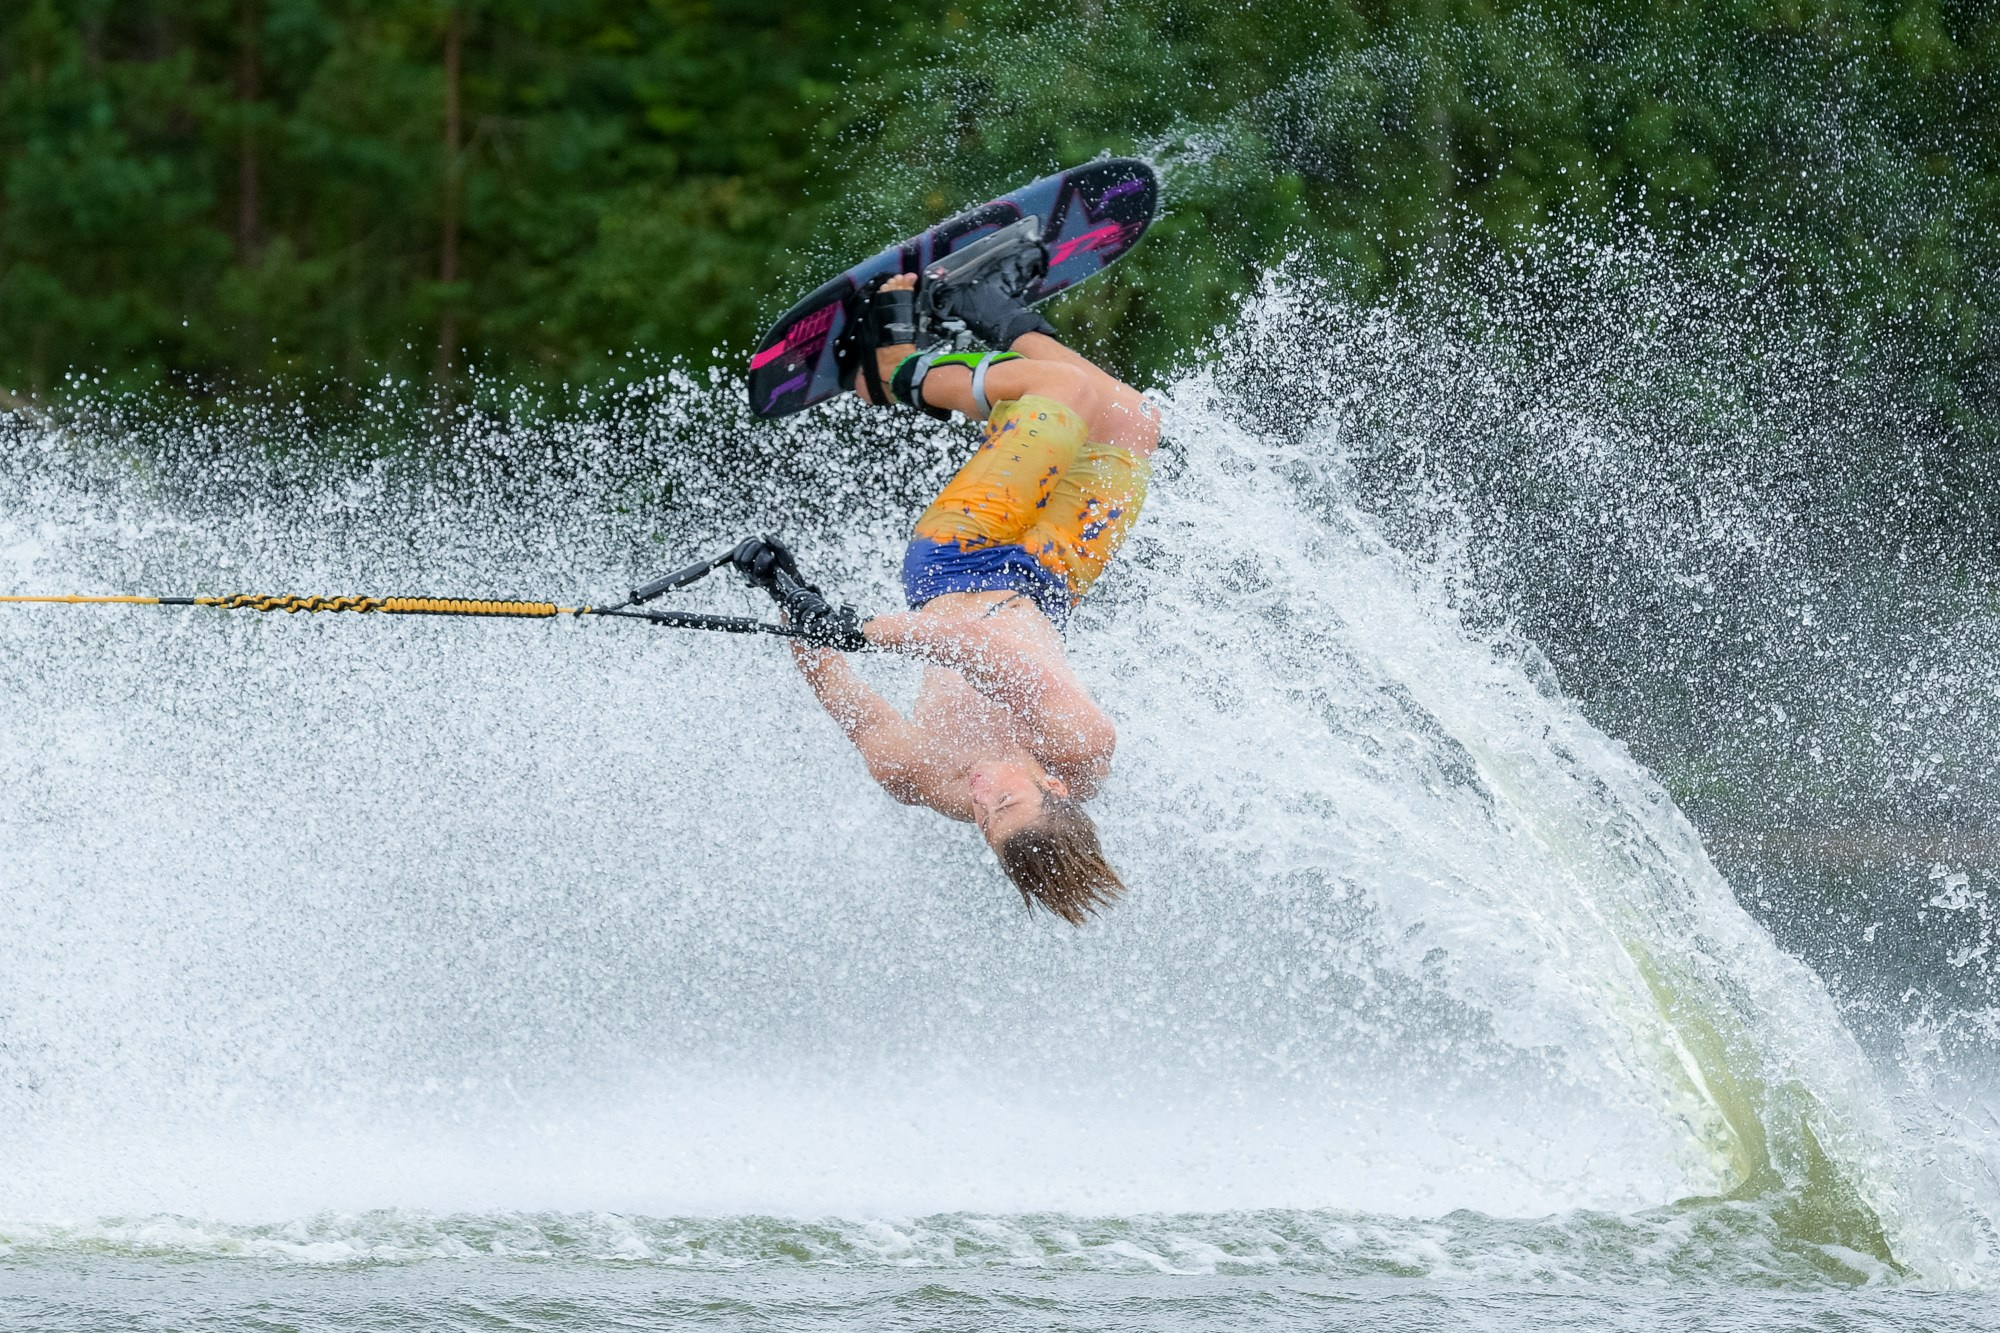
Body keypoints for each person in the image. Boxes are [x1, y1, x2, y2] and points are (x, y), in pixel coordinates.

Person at [739, 261, 1161, 925]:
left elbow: (850, 701)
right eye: (1006, 801)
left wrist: (792, 601)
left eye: (984, 820)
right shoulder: (1081, 745)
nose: (980, 796)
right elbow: (977, 649)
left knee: (1061, 389)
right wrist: (866, 630)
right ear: (1055, 786)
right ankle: (984, 312)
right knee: (1130, 420)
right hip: (1048, 577)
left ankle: (901, 367)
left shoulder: (922, 777)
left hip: (959, 561)